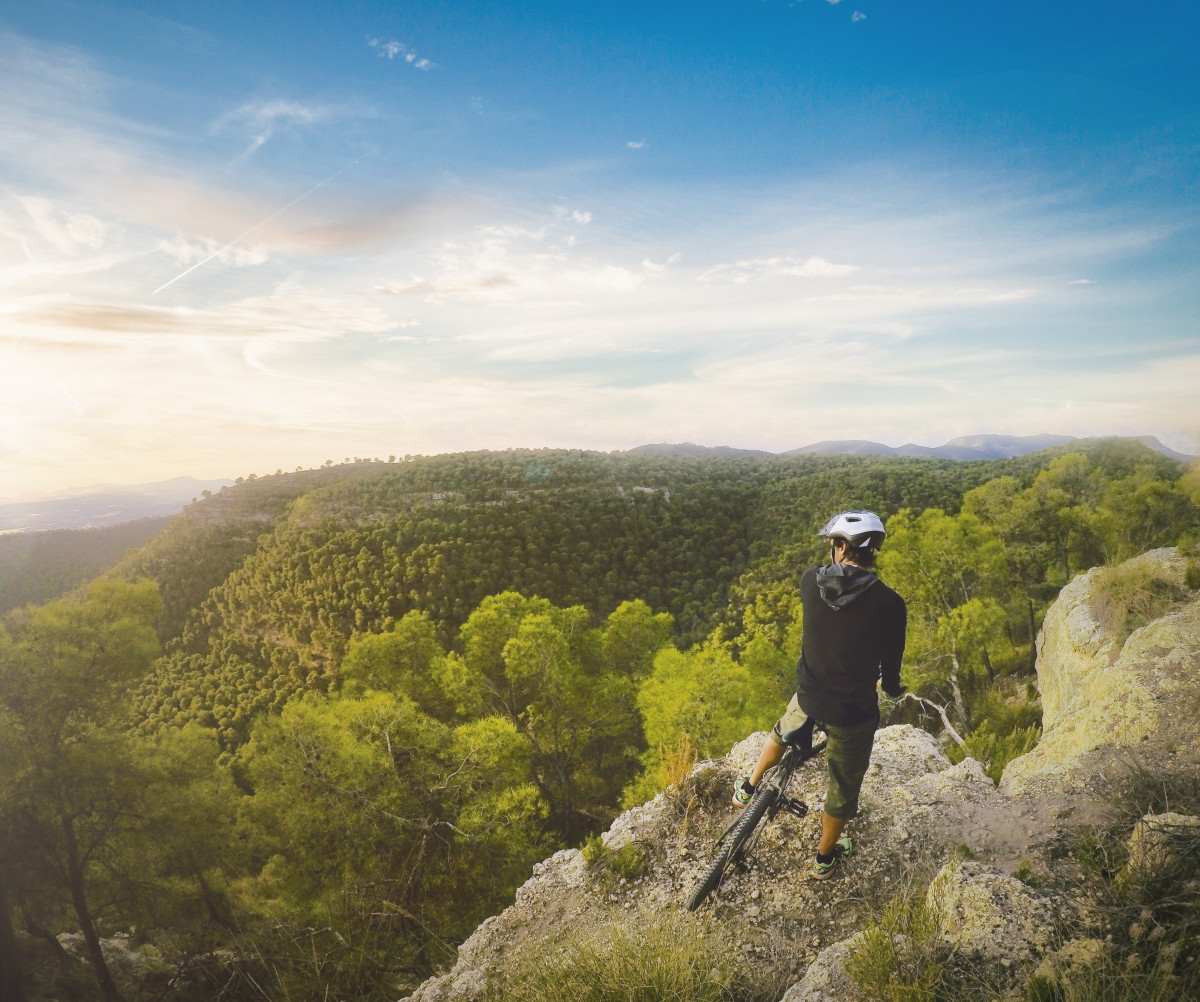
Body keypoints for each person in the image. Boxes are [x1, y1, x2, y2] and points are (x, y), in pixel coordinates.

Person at [732, 510, 907, 879]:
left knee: (782, 732)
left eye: (833, 544)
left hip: (809, 694)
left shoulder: (810, 581)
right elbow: (891, 664)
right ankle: (825, 859)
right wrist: (891, 687)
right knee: (842, 787)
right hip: (851, 712)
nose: (831, 550)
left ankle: (748, 788)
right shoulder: (891, 604)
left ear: (842, 547)